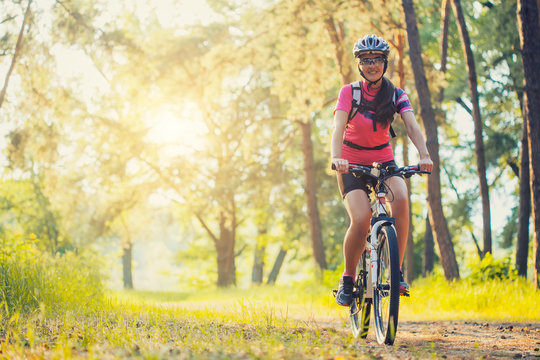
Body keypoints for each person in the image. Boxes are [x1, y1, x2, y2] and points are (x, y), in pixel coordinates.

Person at [332, 34, 433, 306]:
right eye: (366, 60)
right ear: (359, 65)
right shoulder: (349, 92)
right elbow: (338, 127)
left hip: (384, 162)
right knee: (362, 217)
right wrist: (336, 157)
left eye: (376, 60)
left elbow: (410, 125)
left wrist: (424, 154)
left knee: (400, 199)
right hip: (350, 164)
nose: (371, 65)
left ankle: (397, 273)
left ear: (384, 63)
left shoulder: (396, 94)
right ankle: (348, 278)